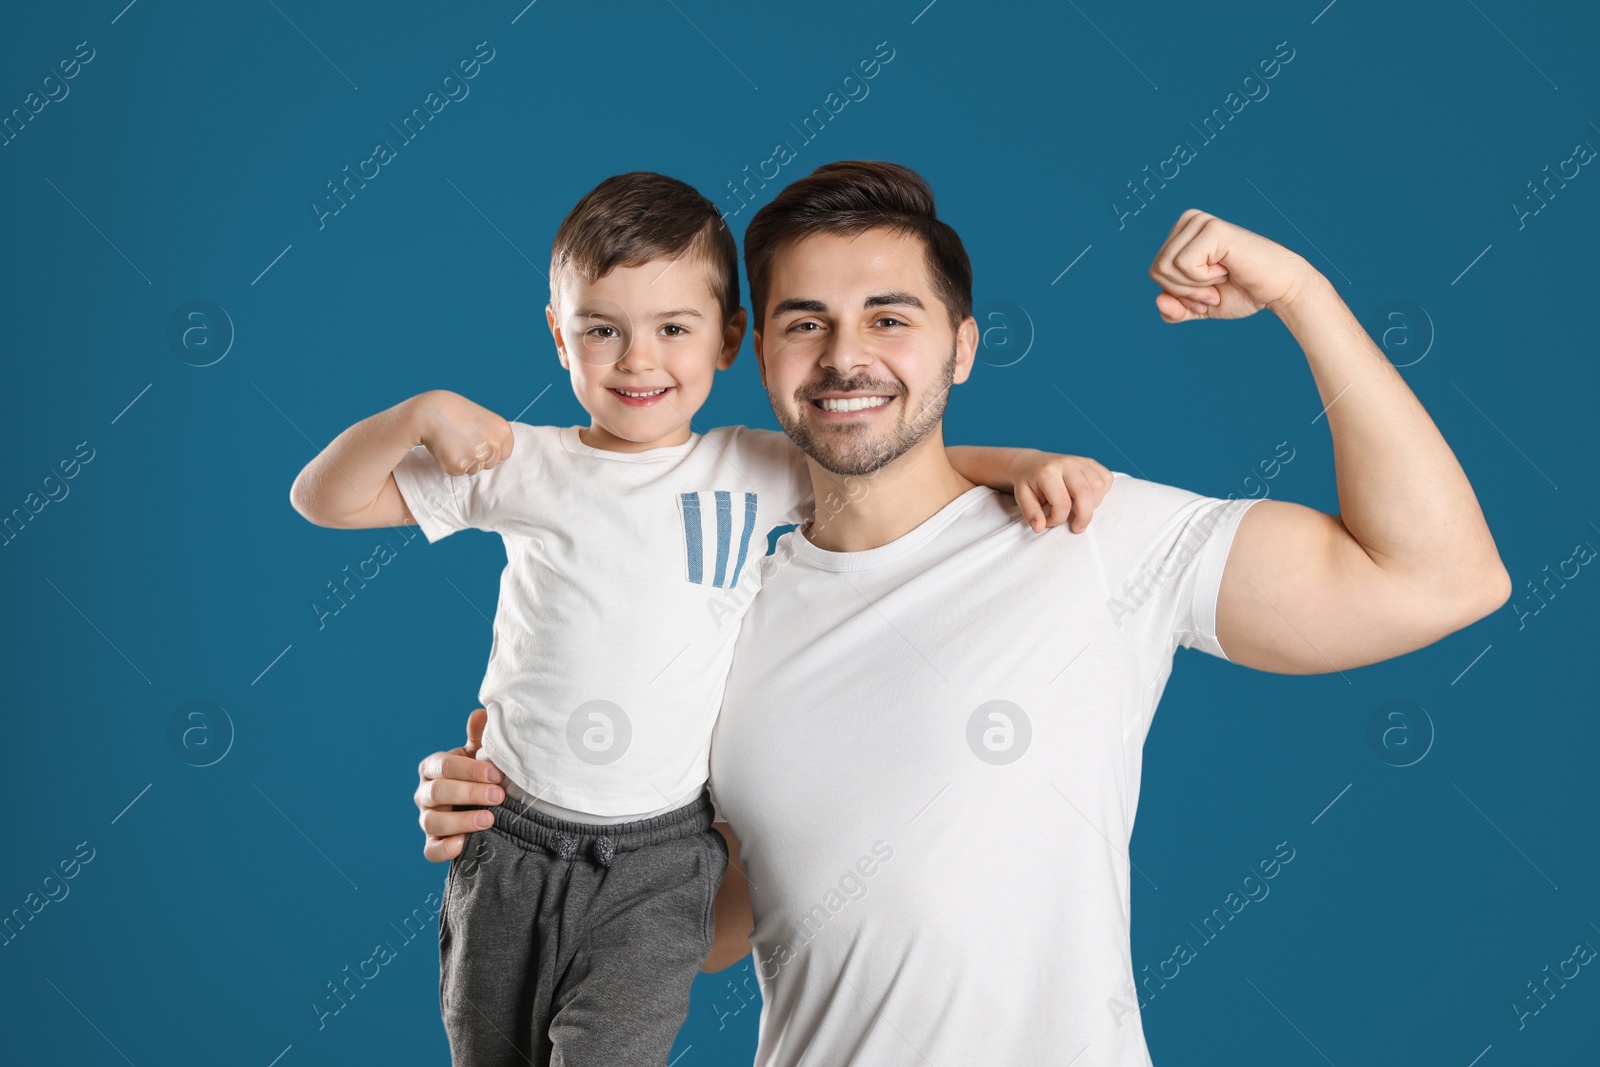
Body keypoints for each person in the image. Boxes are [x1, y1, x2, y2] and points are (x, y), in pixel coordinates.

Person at [415, 161, 1511, 1065]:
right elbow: (700, 924)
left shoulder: (1086, 535)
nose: (847, 356)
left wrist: (1302, 296)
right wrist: (519, 817)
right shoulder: (722, 603)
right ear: (755, 353)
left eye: (889, 317)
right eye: (809, 322)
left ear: (962, 345)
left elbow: (1438, 578)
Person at [289, 170, 1113, 1066]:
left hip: (661, 857)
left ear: (728, 340)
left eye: (672, 329)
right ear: (559, 336)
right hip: (511, 832)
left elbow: (898, 464)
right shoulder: (519, 463)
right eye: (601, 330)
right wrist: (418, 414)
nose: (638, 361)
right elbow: (322, 499)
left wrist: (1024, 460)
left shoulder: (752, 466)